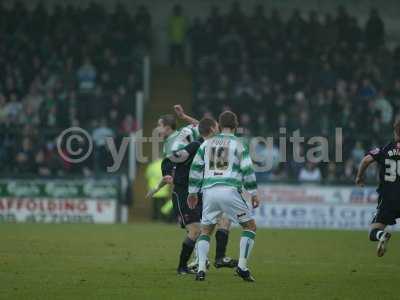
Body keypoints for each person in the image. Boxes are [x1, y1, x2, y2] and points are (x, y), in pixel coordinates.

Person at [149, 108, 238, 274]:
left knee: (223, 221)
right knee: (197, 229)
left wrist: (183, 117)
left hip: (200, 190)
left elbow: (201, 125)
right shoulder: (189, 144)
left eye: (159, 126)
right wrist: (163, 180)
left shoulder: (193, 138)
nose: (157, 129)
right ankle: (184, 266)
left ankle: (216, 258)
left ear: (168, 127)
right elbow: (169, 161)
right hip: (184, 191)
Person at [188, 111, 260, 282]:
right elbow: (247, 170)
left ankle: (200, 270)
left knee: (206, 230)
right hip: (229, 189)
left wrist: (192, 192)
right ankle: (242, 267)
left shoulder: (207, 143)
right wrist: (254, 193)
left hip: (209, 191)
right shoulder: (238, 144)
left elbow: (195, 168)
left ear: (219, 126)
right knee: (250, 227)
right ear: (236, 126)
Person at [355, 120, 400, 257]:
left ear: (395, 131)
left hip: (388, 198)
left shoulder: (386, 148)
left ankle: (382, 235)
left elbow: (366, 160)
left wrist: (359, 177)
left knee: (373, 232)